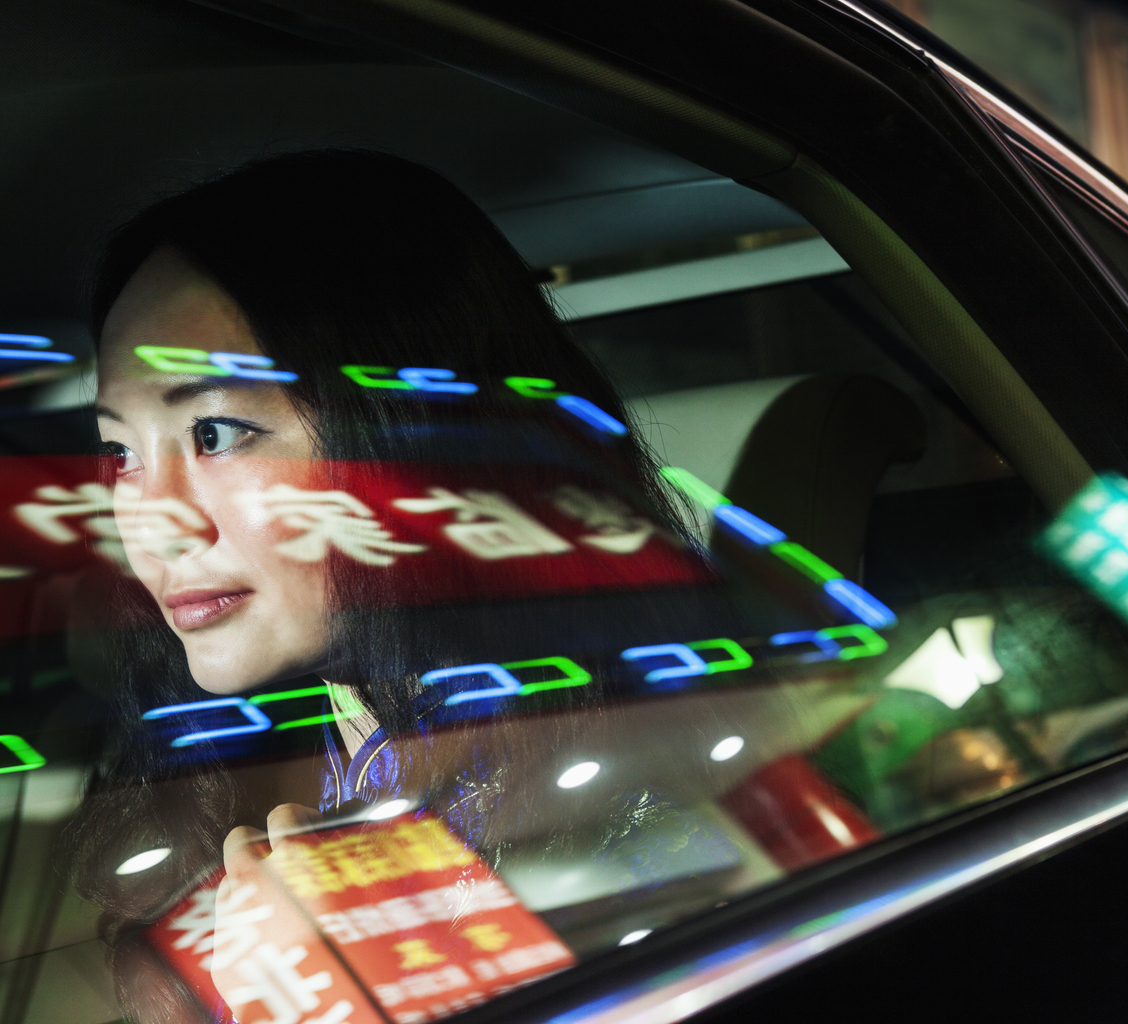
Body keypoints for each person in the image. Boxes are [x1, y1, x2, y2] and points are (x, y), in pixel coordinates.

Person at [61, 149, 685, 1019]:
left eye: (216, 433)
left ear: (419, 440)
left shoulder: (645, 762)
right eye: (121, 452)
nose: (153, 520)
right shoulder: (245, 760)